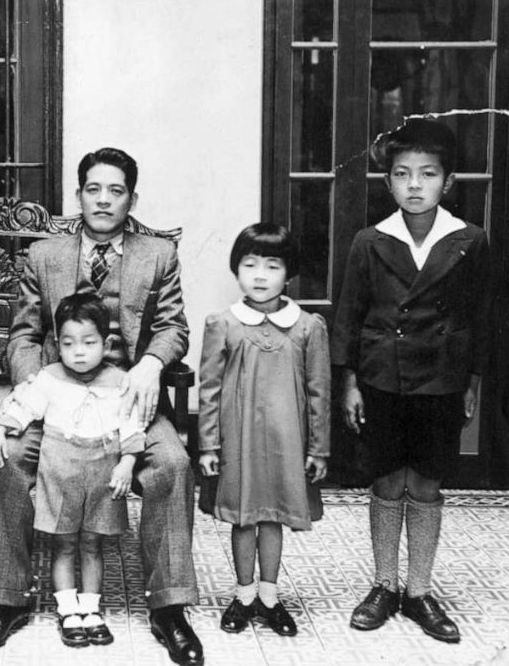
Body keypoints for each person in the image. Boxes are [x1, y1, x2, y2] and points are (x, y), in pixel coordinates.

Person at [0, 147, 203, 665]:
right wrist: (41, 388)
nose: (104, 199)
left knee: (172, 464)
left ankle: (169, 606)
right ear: (78, 196)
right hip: (57, 401)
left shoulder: (157, 255)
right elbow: (25, 335)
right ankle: (6, 598)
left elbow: (174, 328)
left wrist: (149, 366)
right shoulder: (45, 255)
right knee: (7, 460)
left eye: (116, 191)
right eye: (94, 189)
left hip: (127, 401)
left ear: (131, 199)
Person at [332, 118, 489, 644]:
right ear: (389, 182)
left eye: (428, 174)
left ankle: (419, 590)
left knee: (425, 482)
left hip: (442, 380)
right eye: (403, 174)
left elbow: (480, 316)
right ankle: (384, 584)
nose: (415, 185)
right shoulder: (370, 240)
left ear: (448, 182)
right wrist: (349, 381)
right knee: (385, 479)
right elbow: (349, 316)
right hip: (381, 378)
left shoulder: (468, 240)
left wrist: (472, 380)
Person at [0, 292, 143, 648]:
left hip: (103, 473)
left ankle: (91, 609)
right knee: (64, 543)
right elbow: (23, 408)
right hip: (60, 471)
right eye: (69, 343)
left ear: (107, 343)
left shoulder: (119, 381)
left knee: (93, 544)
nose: (79, 352)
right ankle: (67, 609)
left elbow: (132, 427)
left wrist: (128, 462)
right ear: (58, 343)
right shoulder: (49, 377)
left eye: (89, 343)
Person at [197, 223, 330, 637]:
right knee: (243, 518)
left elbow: (319, 391)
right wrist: (207, 445)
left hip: (287, 444)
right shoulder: (222, 323)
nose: (259, 275)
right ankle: (243, 595)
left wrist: (318, 449)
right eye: (249, 264)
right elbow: (210, 389)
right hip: (238, 441)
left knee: (272, 518)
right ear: (236, 270)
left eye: (271, 266)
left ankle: (270, 597)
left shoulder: (309, 327)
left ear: (288, 274)